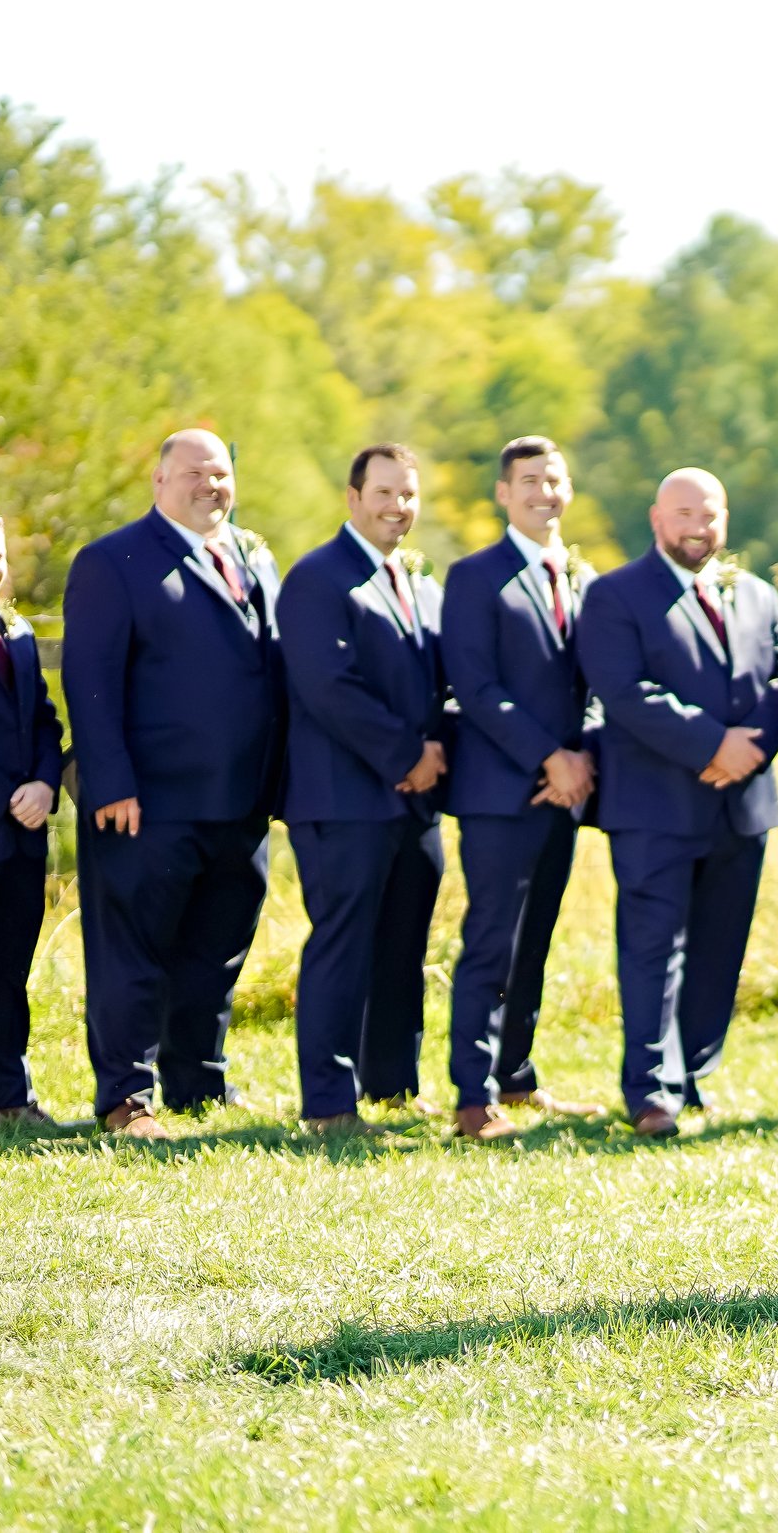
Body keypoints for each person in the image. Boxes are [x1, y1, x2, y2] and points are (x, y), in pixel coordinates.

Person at [63, 429, 285, 1139]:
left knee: (213, 954)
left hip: (241, 801)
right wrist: (110, 784)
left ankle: (198, 1083)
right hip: (145, 803)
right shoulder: (113, 561)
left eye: (220, 473)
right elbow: (89, 683)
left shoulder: (253, 556)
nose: (209, 485)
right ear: (159, 481)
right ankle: (127, 1097)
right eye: (192, 473)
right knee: (133, 955)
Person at [576, 468, 778, 1136]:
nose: (697, 527)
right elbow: (623, 690)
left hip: (742, 806)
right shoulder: (616, 595)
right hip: (655, 807)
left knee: (719, 948)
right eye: (684, 513)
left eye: (709, 514)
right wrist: (712, 745)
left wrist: (751, 749)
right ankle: (652, 1092)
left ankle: (696, 1077)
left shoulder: (757, 593)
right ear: (656, 518)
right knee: (653, 948)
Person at [277, 443, 450, 1135]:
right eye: (384, 493)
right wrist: (408, 754)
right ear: (352, 497)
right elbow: (329, 686)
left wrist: (431, 759)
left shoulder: (413, 577)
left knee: (403, 944)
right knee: (342, 946)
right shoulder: (319, 577)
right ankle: (328, 1101)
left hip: (412, 802)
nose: (397, 506)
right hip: (342, 798)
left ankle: (391, 1085)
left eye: (407, 494)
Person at [438, 436, 606, 1141]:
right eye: (529, 480)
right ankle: (472, 1097)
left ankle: (517, 1074)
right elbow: (475, 685)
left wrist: (584, 755)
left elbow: (600, 684)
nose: (544, 491)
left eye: (555, 479)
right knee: (490, 939)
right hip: (500, 791)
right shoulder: (474, 576)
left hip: (563, 793)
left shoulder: (584, 574)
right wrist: (548, 757)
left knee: (535, 940)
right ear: (503, 493)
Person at [0, 516, 66, 1128]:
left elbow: (44, 721)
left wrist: (44, 784)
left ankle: (9, 1099)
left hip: (20, 837)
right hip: (2, 816)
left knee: (10, 970)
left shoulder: (14, 634)